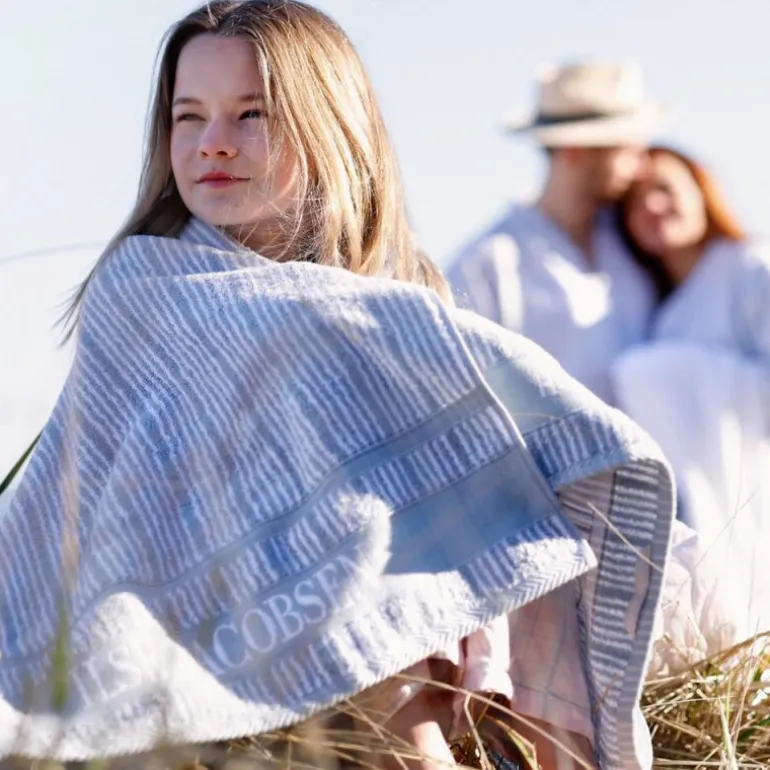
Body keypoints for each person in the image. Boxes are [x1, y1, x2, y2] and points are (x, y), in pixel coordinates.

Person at [0, 5, 674, 770]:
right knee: (353, 545)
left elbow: (514, 420)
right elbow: (108, 489)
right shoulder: (147, 289)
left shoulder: (386, 300)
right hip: (216, 606)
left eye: (252, 114)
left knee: (522, 537)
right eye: (189, 116)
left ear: (328, 125)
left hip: (401, 593)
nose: (213, 141)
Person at [612, 145, 770, 672]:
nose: (651, 207)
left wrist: (678, 375)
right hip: (692, 505)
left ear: (702, 190)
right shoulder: (659, 308)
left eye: (664, 188)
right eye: (634, 202)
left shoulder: (752, 267)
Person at [446, 61, 666, 405]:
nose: (640, 168)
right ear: (575, 151)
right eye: (627, 150)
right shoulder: (489, 264)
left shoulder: (637, 243)